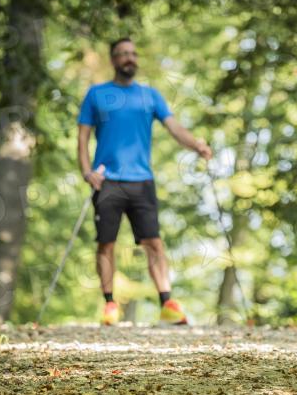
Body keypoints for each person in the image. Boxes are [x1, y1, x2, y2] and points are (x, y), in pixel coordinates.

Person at [77, 36, 212, 325]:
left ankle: (167, 304)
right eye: (123, 53)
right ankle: (110, 304)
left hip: (142, 181)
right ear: (113, 60)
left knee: (154, 242)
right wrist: (87, 171)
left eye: (133, 53)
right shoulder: (96, 94)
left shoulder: (150, 96)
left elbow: (174, 128)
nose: (130, 58)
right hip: (107, 181)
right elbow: (83, 136)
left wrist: (196, 146)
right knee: (106, 244)